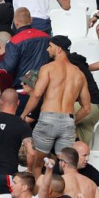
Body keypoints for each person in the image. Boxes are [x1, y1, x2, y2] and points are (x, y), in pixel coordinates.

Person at [20, 35, 91, 178]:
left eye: (50, 46)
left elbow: (37, 94)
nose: (47, 49)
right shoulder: (79, 74)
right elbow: (87, 108)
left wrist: (23, 115)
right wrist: (72, 120)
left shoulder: (48, 68)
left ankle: (36, 197)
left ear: (58, 49)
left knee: (36, 165)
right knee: (67, 168)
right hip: (68, 121)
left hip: (48, 118)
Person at [0, 7, 50, 96]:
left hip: (23, 88)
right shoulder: (46, 37)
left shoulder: (15, 41)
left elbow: (7, 68)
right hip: (43, 85)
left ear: (15, 23)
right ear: (31, 20)